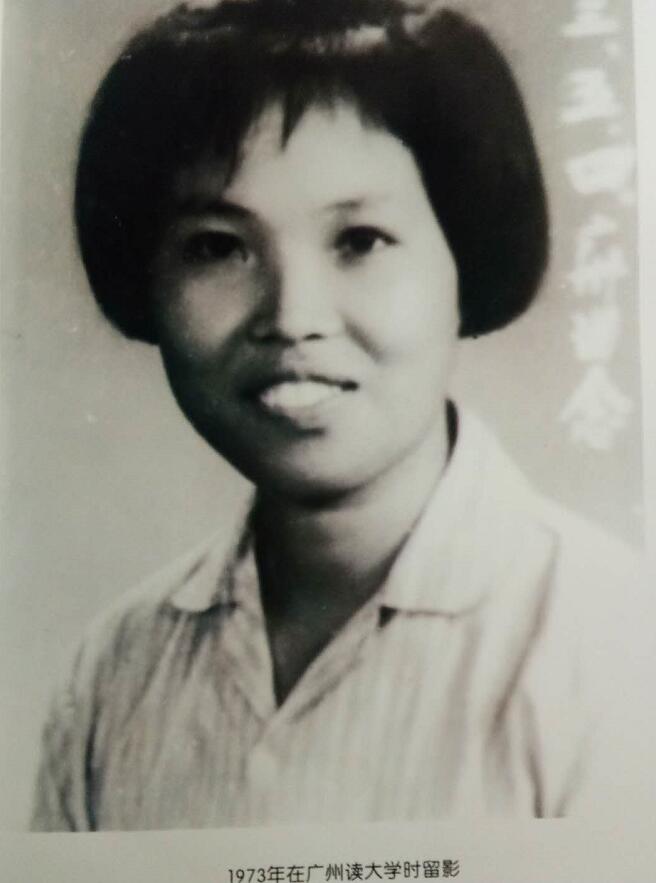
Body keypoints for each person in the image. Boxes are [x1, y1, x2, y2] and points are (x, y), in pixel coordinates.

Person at [31, 0, 654, 830]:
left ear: (466, 258)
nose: (292, 317)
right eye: (219, 246)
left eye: (359, 240)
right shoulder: (115, 671)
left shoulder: (613, 643)